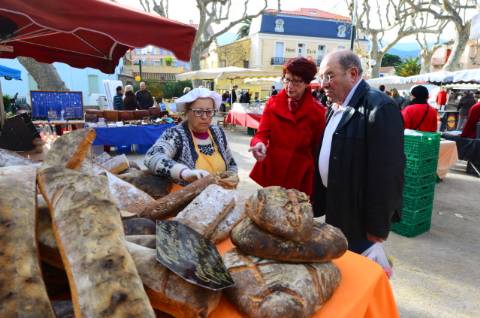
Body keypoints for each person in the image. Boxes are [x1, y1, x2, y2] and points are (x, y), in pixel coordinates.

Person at [314, 49, 404, 254]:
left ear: (353, 74)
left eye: (329, 76)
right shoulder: (336, 106)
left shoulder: (379, 108)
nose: (323, 84)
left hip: (359, 219)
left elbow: (388, 174)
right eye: (322, 77)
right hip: (338, 206)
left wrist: (377, 226)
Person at [249, 57, 326, 196]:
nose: (290, 86)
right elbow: (261, 134)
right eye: (287, 79)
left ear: (307, 83)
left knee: (295, 215)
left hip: (299, 175)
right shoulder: (272, 103)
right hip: (274, 169)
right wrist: (259, 143)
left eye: (296, 81)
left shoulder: (318, 112)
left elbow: (317, 150)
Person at [145, 88, 237, 189]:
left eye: (209, 111)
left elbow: (231, 162)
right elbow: (152, 157)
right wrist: (184, 172)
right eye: (198, 111)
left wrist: (232, 177)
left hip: (217, 199)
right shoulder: (175, 134)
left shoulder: (218, 133)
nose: (205, 117)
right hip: (187, 202)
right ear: (187, 112)